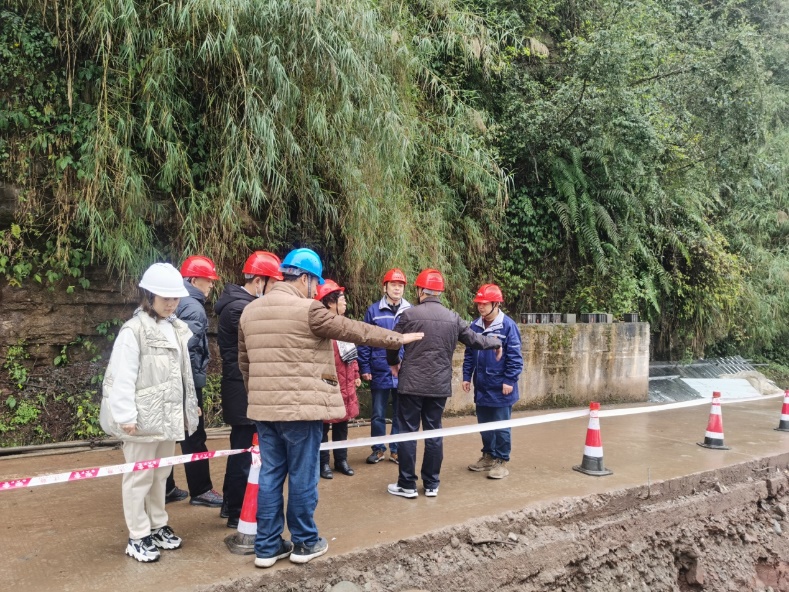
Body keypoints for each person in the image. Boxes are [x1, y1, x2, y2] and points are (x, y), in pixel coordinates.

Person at [238, 248, 424, 568]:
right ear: (305, 278)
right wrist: (396, 339)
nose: (316, 290)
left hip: (264, 410)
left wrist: (260, 397)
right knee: (303, 475)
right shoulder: (308, 310)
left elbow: (245, 365)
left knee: (270, 475)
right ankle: (305, 541)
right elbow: (352, 329)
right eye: (316, 283)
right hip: (302, 411)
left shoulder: (250, 311)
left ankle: (267, 546)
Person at [99, 262, 200, 562]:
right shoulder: (134, 331)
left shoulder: (175, 328)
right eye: (165, 297)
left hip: (167, 418)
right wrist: (125, 415)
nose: (171, 303)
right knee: (139, 477)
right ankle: (138, 535)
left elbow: (182, 376)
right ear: (149, 295)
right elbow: (122, 376)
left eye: (175, 298)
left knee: (161, 474)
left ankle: (157, 524)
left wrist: (189, 406)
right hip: (141, 419)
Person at [386, 269, 502, 499]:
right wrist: (496, 342)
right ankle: (431, 484)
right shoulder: (453, 317)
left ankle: (407, 485)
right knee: (434, 432)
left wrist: (394, 363)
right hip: (438, 385)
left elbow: (392, 342)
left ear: (421, 290)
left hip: (411, 384)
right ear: (439, 292)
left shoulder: (408, 315)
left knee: (408, 433)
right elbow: (475, 340)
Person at [214, 251, 283, 528]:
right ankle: (235, 511)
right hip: (240, 387)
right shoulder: (240, 309)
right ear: (258, 281)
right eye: (273, 284)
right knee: (243, 451)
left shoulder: (240, 305)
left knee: (241, 448)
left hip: (241, 386)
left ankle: (230, 505)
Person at [165, 255, 224, 508]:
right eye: (207, 279)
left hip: (171, 381)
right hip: (185, 382)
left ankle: (165, 487)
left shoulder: (175, 300)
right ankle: (201, 490)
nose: (211, 284)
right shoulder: (193, 307)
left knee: (169, 433)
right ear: (192, 280)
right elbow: (185, 352)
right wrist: (189, 390)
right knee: (194, 434)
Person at [462, 283, 524, 480]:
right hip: (482, 386)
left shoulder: (508, 326)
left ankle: (501, 460)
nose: (481, 307)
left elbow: (515, 358)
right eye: (479, 303)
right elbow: (469, 354)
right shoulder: (475, 326)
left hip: (500, 387)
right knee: (484, 424)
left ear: (496, 304)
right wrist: (466, 376)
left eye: (485, 303)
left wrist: (509, 380)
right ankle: (488, 455)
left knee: (501, 426)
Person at [357, 268, 411, 465]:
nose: (397, 288)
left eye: (400, 285)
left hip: (403, 371)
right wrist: (365, 368)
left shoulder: (410, 311)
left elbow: (414, 343)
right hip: (379, 369)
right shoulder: (373, 311)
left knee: (400, 413)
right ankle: (378, 449)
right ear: (385, 287)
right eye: (393, 285)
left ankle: (395, 450)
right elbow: (364, 340)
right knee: (378, 414)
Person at [314, 280, 360, 480]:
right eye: (342, 299)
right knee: (324, 426)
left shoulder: (344, 324)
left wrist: (356, 374)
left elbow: (353, 355)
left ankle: (341, 460)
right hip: (327, 383)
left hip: (346, 382)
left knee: (342, 424)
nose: (345, 303)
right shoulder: (321, 326)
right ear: (330, 302)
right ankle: (323, 462)